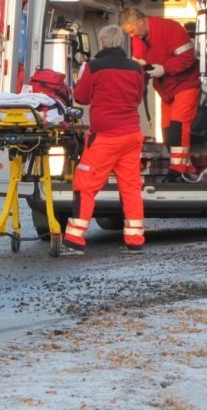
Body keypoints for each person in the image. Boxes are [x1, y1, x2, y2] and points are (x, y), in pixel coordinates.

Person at [62, 25, 146, 256]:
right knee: (130, 187)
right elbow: (138, 97)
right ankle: (135, 239)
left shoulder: (93, 67)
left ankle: (74, 239)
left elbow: (80, 97)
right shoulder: (136, 68)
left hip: (106, 138)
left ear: (101, 44)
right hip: (131, 136)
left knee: (85, 186)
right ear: (121, 44)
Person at [120, 8, 201, 182]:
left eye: (132, 31)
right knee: (167, 131)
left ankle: (177, 172)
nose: (132, 36)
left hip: (186, 84)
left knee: (178, 127)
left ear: (141, 22)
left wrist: (164, 68)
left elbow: (188, 57)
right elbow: (140, 66)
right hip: (166, 89)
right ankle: (187, 168)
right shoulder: (139, 39)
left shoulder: (171, 30)